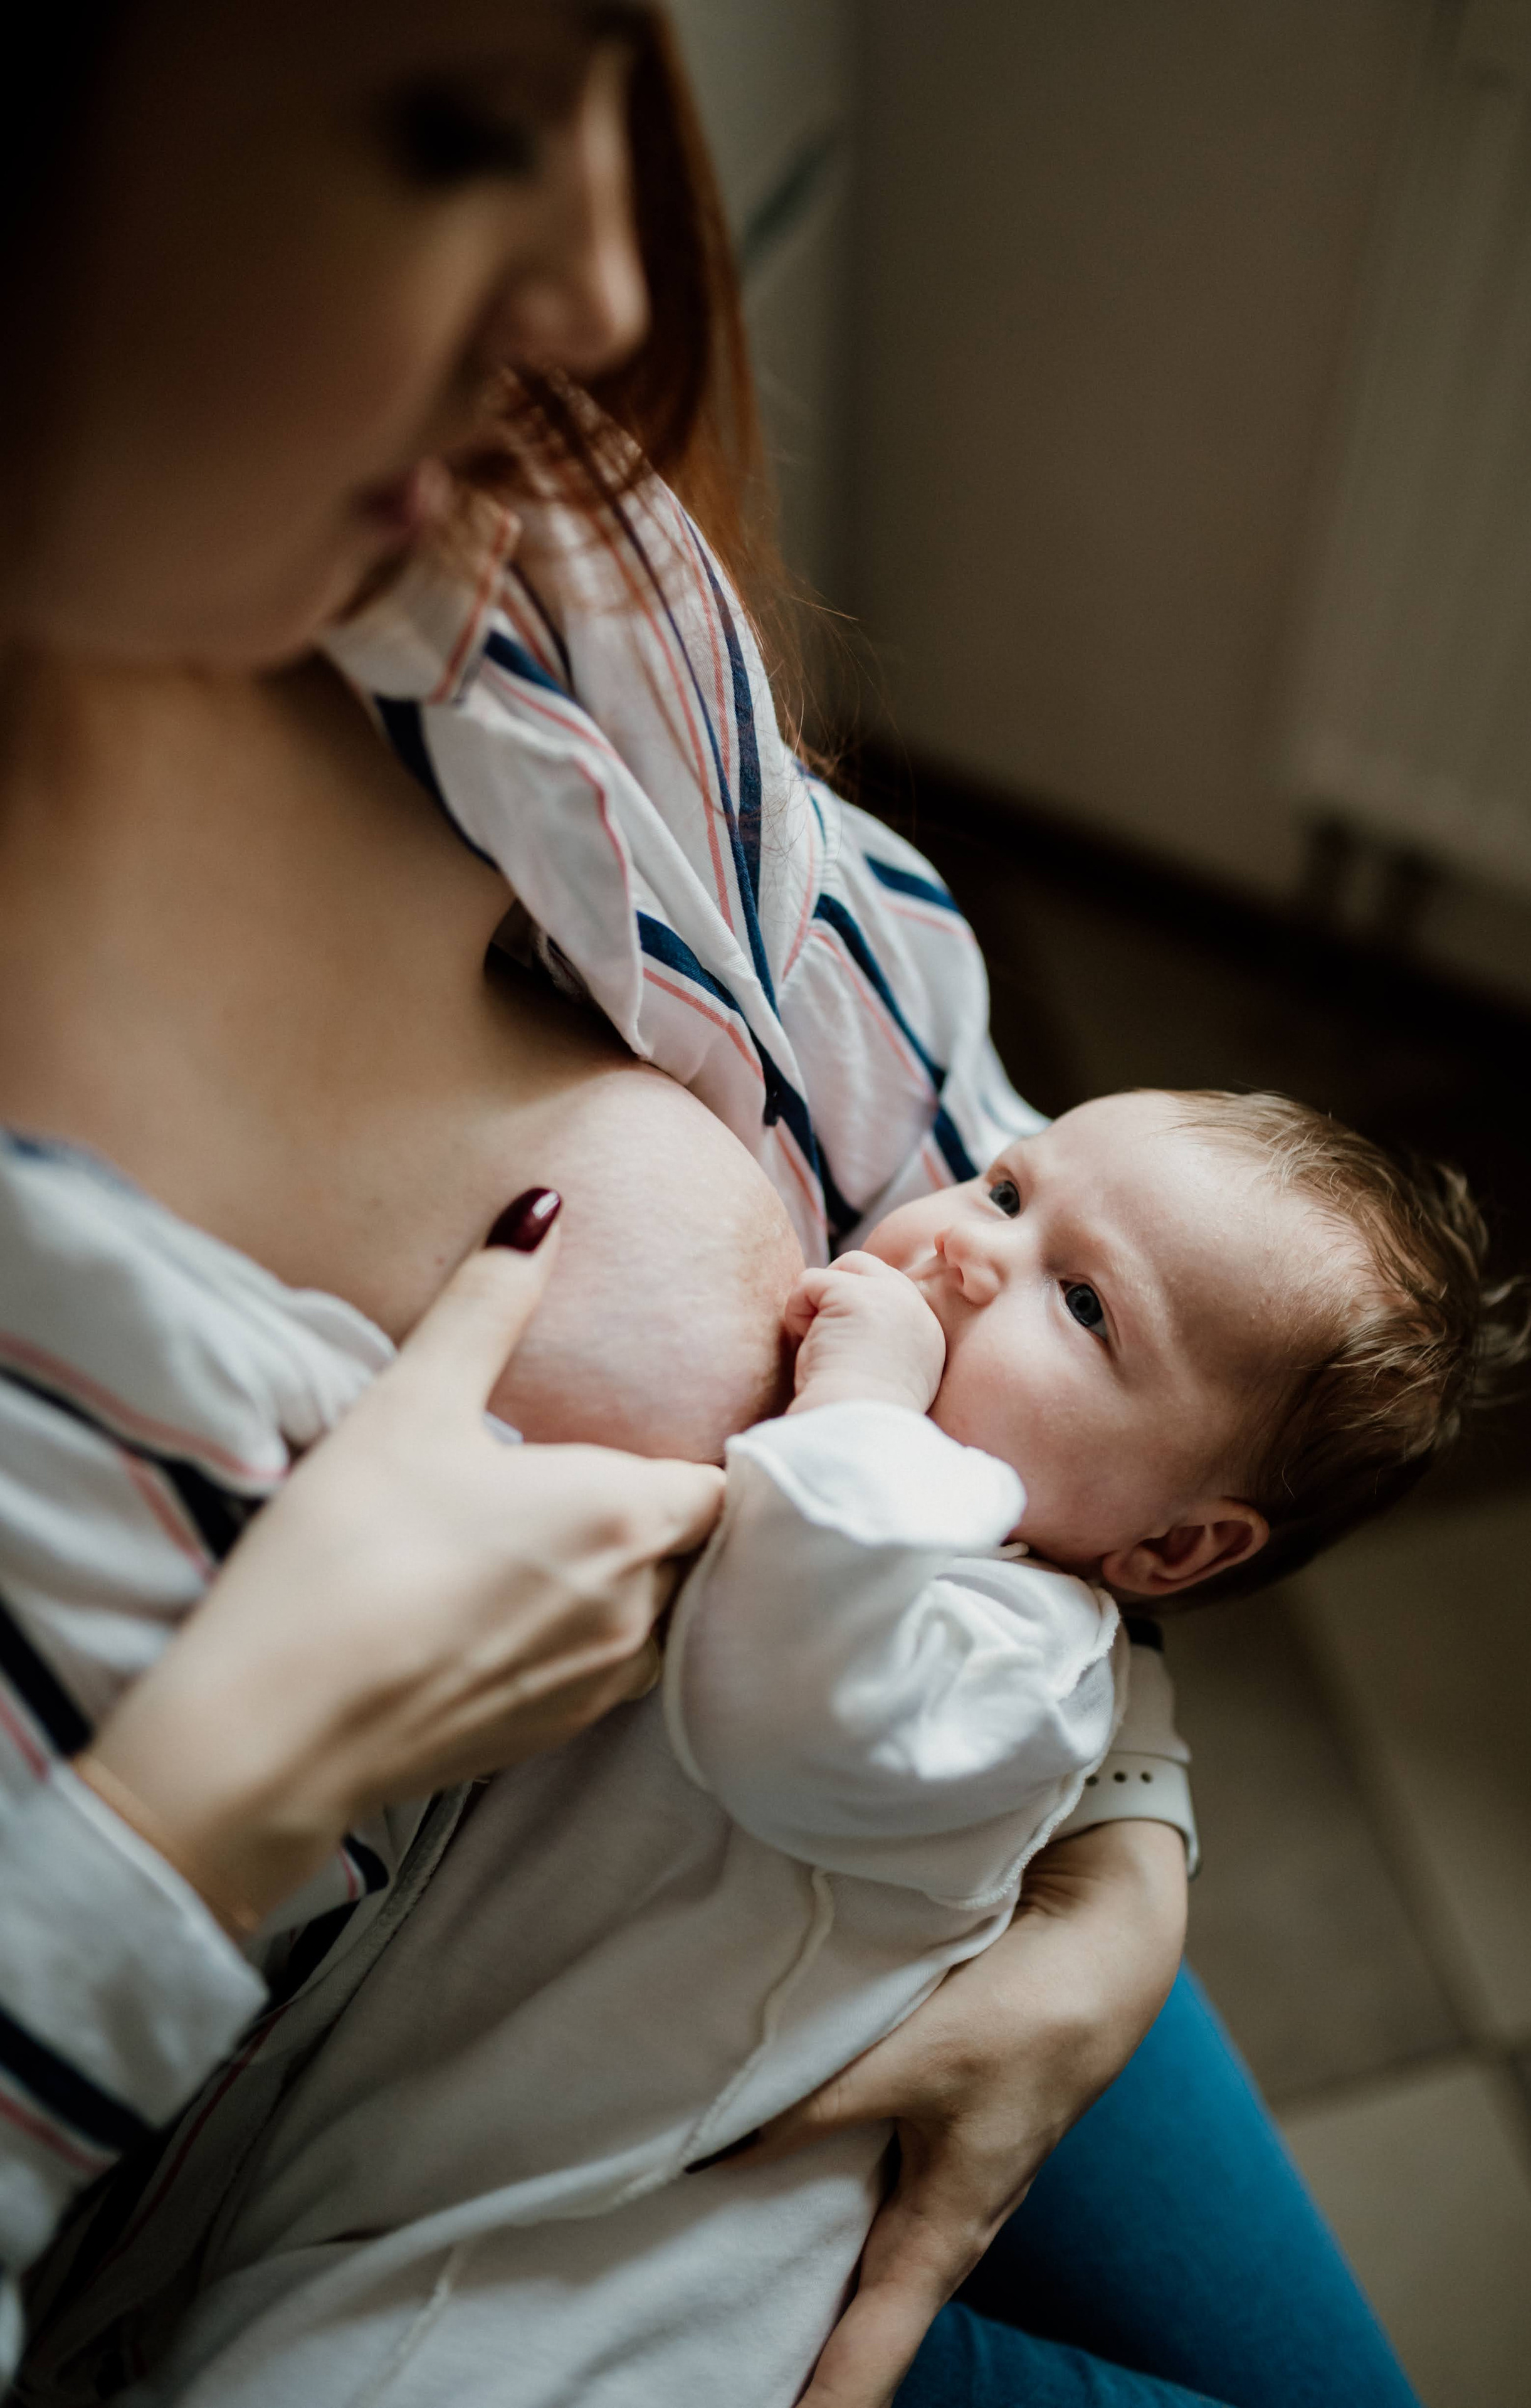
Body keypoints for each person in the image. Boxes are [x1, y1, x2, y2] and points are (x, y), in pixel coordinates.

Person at [0, 5, 1424, 2403]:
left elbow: (999, 1190)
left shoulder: (498, 551)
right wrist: (202, 1805)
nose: (603, 297)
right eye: (453, 129)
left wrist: (1121, 1866)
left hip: (907, 1870)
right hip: (416, 2232)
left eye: (585, 92)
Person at [101, 1085, 1514, 2408]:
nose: (967, 1250)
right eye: (1007, 1185)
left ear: (1172, 1546)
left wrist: (860, 1405)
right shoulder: (932, 1515)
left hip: (573, 2298)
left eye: (1080, 1304)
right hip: (425, 2178)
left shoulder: (1017, 1670)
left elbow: (780, 1691)